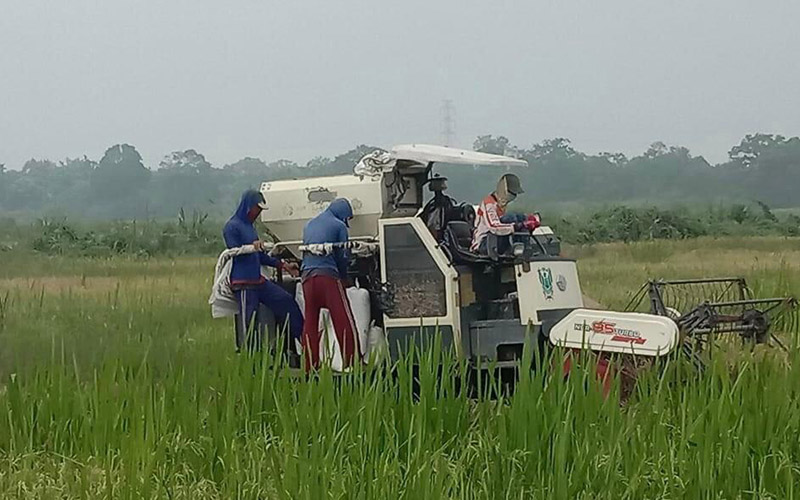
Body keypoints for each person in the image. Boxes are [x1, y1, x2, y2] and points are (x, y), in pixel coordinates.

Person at [223, 189, 303, 352]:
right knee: (249, 323)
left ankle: (301, 343)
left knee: (287, 301)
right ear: (248, 206)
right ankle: (251, 361)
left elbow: (260, 257)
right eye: (257, 208)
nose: (258, 213)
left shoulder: (250, 227)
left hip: (258, 281)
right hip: (244, 283)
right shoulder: (232, 227)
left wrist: (283, 265)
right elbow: (235, 251)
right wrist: (251, 247)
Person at [300, 198, 361, 372]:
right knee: (343, 319)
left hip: (307, 278)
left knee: (310, 322)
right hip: (327, 277)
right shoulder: (338, 225)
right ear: (344, 215)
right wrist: (343, 277)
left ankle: (310, 366)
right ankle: (352, 362)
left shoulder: (309, 224)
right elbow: (343, 255)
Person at [470, 173, 540, 255]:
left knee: (520, 217)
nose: (513, 196)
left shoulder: (501, 205)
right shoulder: (489, 204)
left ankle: (525, 250)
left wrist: (528, 223)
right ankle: (518, 249)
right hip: (484, 243)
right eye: (511, 193)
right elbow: (494, 227)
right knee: (510, 218)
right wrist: (516, 226)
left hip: (497, 241)